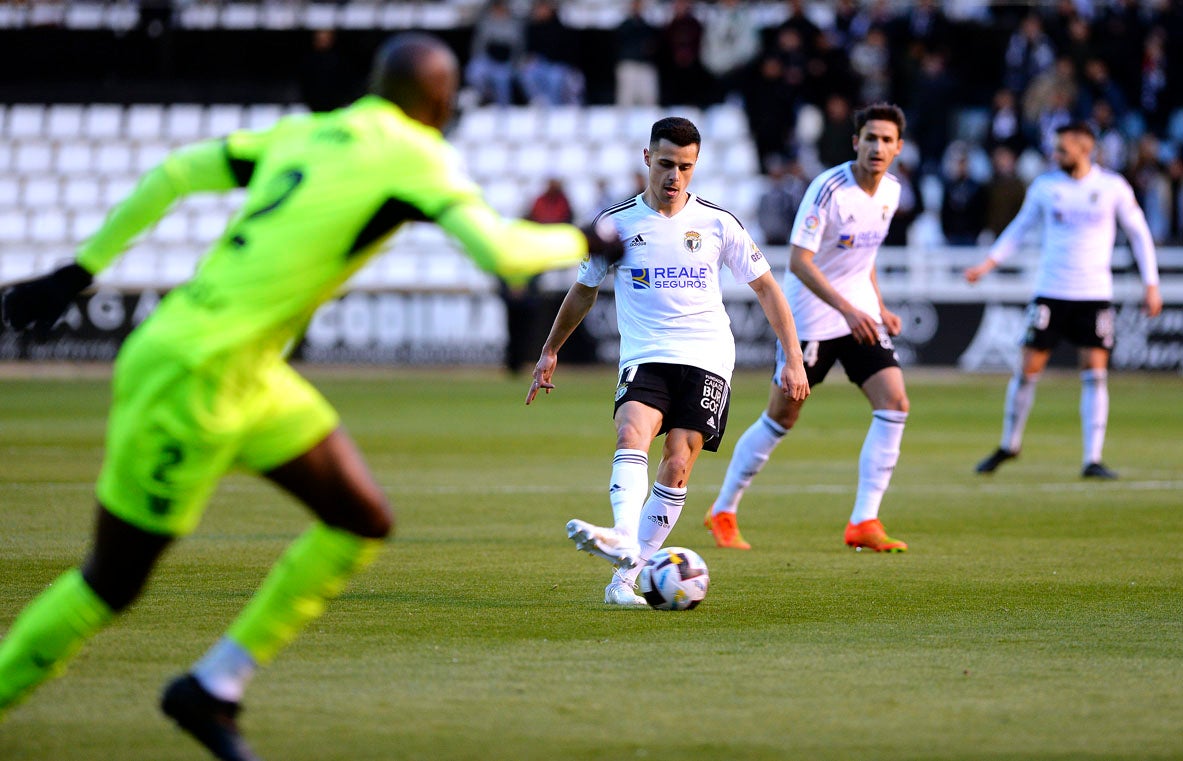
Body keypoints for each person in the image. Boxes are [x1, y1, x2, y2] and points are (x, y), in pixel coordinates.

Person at [0, 32, 623, 761]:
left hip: (249, 370)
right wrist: (586, 235)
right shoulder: (414, 153)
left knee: (359, 518)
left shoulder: (307, 131)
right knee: (110, 583)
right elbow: (503, 253)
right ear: (441, 100)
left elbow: (175, 170)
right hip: (193, 374)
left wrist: (80, 271)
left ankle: (212, 688)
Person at [525, 116, 810, 605]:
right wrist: (551, 349)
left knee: (677, 462)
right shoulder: (615, 225)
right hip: (647, 353)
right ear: (646, 160)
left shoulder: (719, 223)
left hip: (708, 357)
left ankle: (623, 581)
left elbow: (766, 287)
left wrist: (794, 356)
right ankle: (620, 535)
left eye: (685, 166)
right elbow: (583, 291)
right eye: (665, 164)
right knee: (630, 432)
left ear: (695, 166)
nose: (674, 176)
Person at [706, 103, 912, 553]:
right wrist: (848, 309)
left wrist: (877, 306)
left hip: (859, 313)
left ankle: (864, 521)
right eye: (870, 138)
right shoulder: (829, 189)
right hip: (811, 317)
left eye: (886, 140)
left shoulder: (891, 192)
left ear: (898, 147)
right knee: (782, 415)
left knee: (895, 402)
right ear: (855, 142)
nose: (878, 147)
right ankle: (723, 509)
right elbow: (799, 262)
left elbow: (865, 257)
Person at [966, 121, 1161, 479]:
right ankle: (1010, 444)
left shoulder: (1112, 187)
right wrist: (988, 263)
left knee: (1095, 373)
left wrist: (1152, 284)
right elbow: (1019, 229)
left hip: (1093, 294)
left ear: (1085, 149)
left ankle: (1092, 458)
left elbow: (1139, 233)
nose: (1055, 155)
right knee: (1027, 370)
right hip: (1051, 292)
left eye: (1062, 150)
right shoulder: (1045, 186)